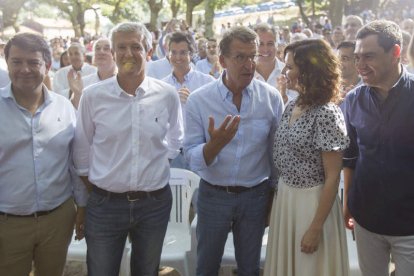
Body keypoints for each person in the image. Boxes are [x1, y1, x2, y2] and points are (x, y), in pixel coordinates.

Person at [73, 22, 184, 276]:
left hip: (154, 204)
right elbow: (80, 152)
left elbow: (176, 139)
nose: (128, 53)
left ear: (148, 49)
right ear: (112, 52)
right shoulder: (93, 96)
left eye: (136, 46)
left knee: (146, 271)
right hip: (105, 204)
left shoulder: (167, 95)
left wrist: (153, 167)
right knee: (101, 271)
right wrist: (99, 190)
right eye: (121, 47)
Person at [184, 26, 284, 276]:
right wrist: (214, 145)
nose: (249, 64)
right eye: (240, 57)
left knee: (250, 268)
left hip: (255, 197)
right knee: (207, 266)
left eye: (254, 56)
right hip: (213, 195)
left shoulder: (270, 98)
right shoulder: (199, 100)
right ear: (222, 60)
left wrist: (273, 196)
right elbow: (191, 156)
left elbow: (276, 154)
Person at [0, 32, 88, 276]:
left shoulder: (64, 107)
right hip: (8, 223)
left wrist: (82, 206)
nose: (24, 69)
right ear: (7, 64)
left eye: (33, 62)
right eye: (17, 62)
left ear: (48, 66)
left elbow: (74, 162)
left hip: (57, 220)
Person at [264, 39, 350, 276]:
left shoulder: (327, 113)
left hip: (312, 205)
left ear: (309, 71)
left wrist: (315, 227)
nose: (284, 72)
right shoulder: (292, 105)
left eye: (290, 66)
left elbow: (333, 177)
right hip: (286, 200)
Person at [343, 20, 414, 276]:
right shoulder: (352, 100)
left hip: (410, 225)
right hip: (367, 219)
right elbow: (350, 157)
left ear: (395, 52)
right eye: (357, 57)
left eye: (369, 56)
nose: (360, 65)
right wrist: (347, 202)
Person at [162, 31, 214, 168]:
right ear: (168, 55)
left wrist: (194, 101)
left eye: (183, 52)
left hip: (199, 151)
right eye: (174, 52)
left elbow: (215, 115)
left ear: (191, 54)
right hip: (172, 154)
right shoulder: (161, 86)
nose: (178, 57)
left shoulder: (207, 82)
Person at [68, 37, 117, 108]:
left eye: (106, 49)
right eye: (97, 49)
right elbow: (74, 112)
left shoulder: (123, 82)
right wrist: (77, 94)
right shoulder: (83, 82)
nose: (101, 51)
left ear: (115, 54)